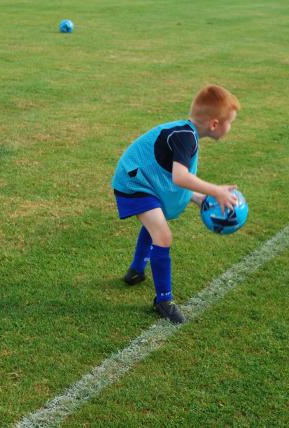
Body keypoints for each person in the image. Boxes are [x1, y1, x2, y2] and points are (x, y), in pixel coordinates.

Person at [112, 84, 241, 324]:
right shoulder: (185, 137)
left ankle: (136, 270)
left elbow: (167, 175)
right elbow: (179, 177)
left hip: (141, 178)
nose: (230, 127)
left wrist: (199, 198)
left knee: (156, 224)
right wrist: (216, 191)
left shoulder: (185, 133)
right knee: (163, 235)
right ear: (215, 124)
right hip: (135, 184)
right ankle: (163, 300)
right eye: (230, 122)